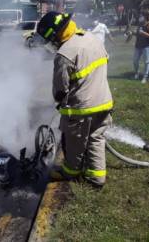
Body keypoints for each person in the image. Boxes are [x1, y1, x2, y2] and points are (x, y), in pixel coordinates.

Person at [37, 11, 113, 188]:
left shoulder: (64, 54)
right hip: (105, 102)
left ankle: (70, 173)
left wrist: (60, 100)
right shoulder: (92, 38)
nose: (52, 44)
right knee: (96, 139)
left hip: (82, 109)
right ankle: (97, 178)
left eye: (51, 39)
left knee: (74, 144)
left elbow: (60, 88)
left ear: (56, 34)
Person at [133, 12, 149, 84]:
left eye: (142, 16)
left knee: (147, 62)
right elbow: (138, 34)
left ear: (145, 17)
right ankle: (137, 73)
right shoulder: (140, 24)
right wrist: (133, 33)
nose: (140, 17)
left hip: (147, 46)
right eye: (140, 16)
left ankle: (145, 77)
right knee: (135, 61)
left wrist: (143, 33)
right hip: (138, 46)